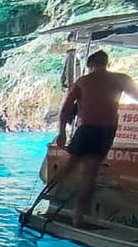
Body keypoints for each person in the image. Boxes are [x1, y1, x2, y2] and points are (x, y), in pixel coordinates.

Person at [56, 50, 138, 227]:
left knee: (70, 165)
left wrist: (62, 132)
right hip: (106, 131)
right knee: (90, 173)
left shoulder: (83, 81)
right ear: (107, 63)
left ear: (89, 65)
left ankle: (55, 196)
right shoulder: (121, 79)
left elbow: (65, 109)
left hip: (87, 129)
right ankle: (78, 216)